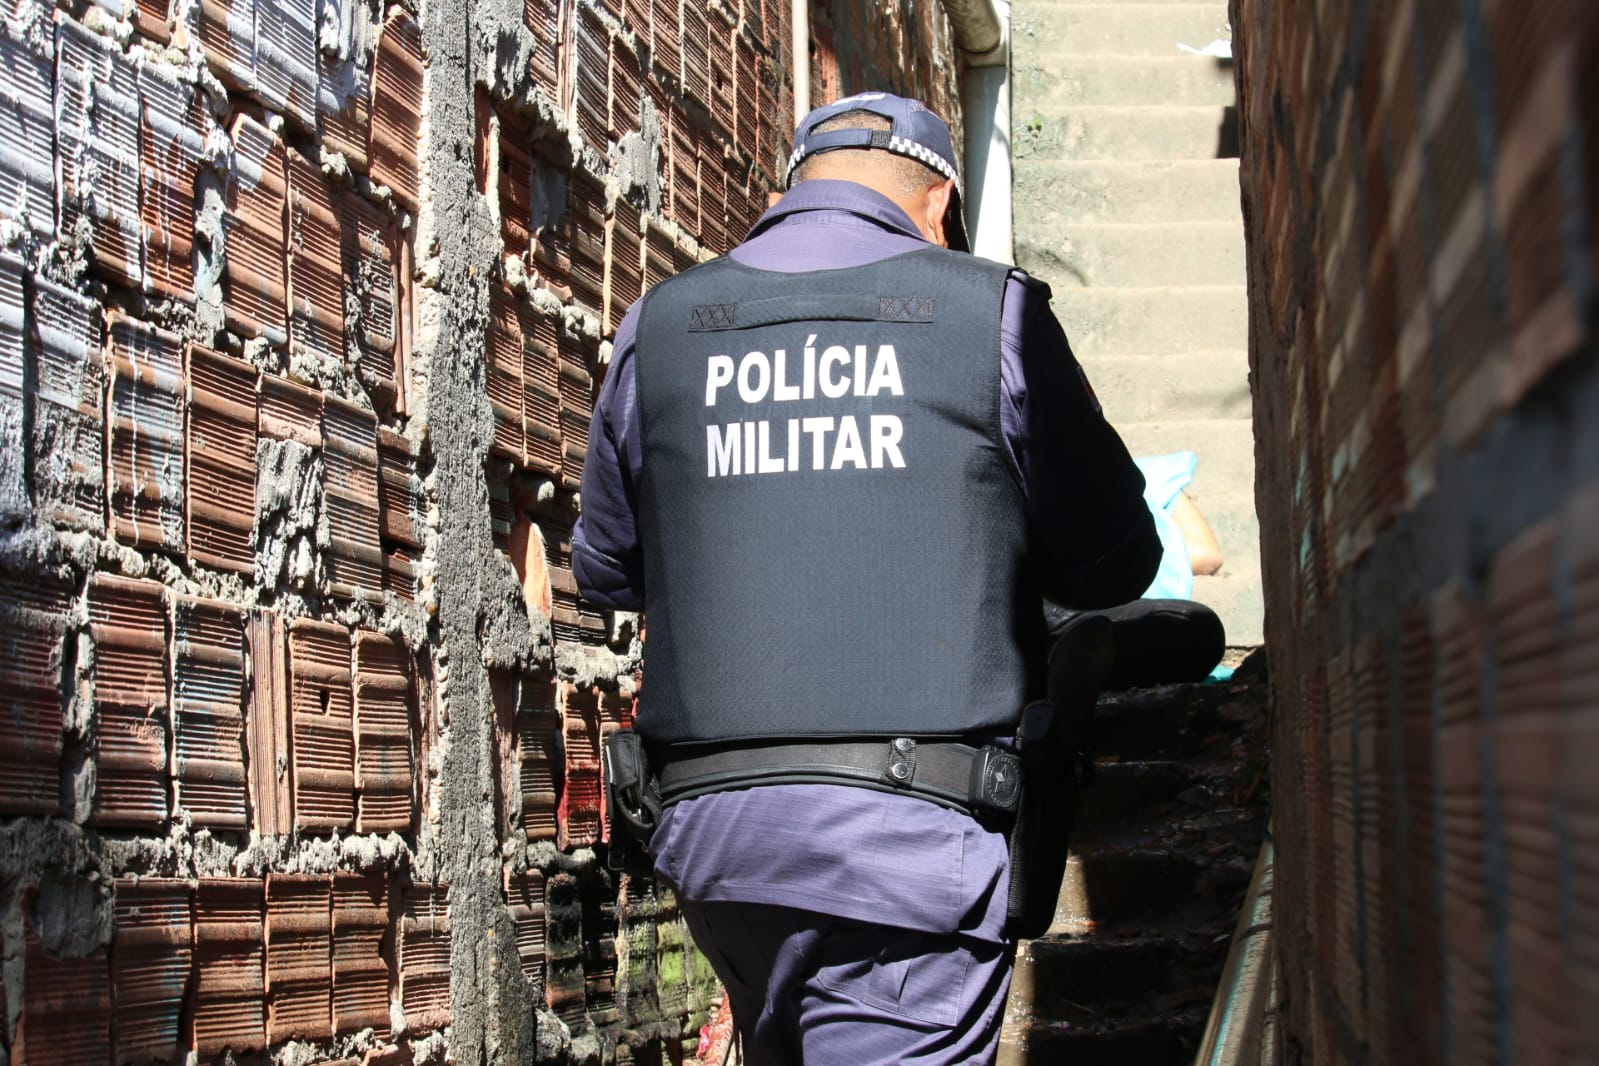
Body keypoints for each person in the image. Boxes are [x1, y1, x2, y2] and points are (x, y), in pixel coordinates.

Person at [574, 91, 1160, 1064]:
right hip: (908, 851)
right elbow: (1115, 557)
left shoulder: (657, 325)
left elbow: (609, 567)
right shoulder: (991, 311)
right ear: (936, 205)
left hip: (719, 848)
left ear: (784, 193)